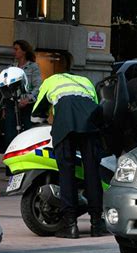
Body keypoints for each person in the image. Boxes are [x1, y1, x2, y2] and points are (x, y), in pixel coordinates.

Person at [32, 72, 105, 239]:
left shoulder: (50, 81)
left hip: (65, 121)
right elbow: (94, 103)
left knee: (66, 172)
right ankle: (96, 224)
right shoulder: (86, 80)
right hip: (90, 122)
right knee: (92, 172)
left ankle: (70, 225)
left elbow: (37, 113)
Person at [2, 40, 42, 148]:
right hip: (12, 104)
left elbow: (38, 86)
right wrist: (4, 107)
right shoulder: (11, 68)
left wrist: (28, 99)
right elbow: (5, 88)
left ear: (24, 51)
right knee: (9, 135)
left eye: (16, 49)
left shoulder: (33, 67)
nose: (14, 52)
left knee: (26, 134)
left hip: (26, 105)